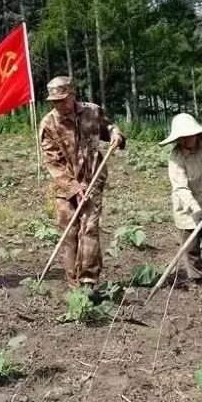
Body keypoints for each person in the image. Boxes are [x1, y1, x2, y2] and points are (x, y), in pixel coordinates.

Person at [39, 76, 125, 289]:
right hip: (65, 188)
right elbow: (54, 164)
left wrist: (116, 135)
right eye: (54, 101)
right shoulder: (49, 124)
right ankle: (73, 283)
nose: (58, 105)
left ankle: (88, 282)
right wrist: (75, 189)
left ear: (72, 95)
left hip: (93, 180)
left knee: (89, 229)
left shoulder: (92, 112)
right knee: (69, 233)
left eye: (62, 100)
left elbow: (109, 127)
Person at [161, 113, 202, 295]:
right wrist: (195, 209)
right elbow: (180, 187)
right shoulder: (176, 156)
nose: (185, 140)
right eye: (181, 138)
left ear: (196, 133)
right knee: (191, 249)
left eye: (188, 136)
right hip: (187, 208)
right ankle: (199, 282)